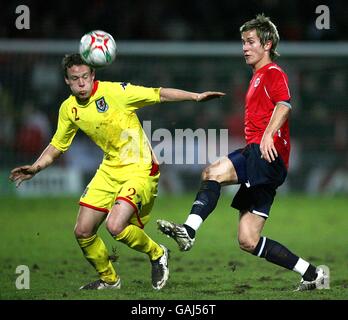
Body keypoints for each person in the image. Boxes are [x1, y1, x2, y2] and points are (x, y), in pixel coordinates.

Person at [9, 53, 225, 290]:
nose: (81, 83)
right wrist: (36, 167)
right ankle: (110, 280)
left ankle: (157, 253)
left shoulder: (117, 92)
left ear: (93, 75)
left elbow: (158, 93)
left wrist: (195, 97)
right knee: (83, 231)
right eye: (75, 79)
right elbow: (58, 145)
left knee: (115, 226)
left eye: (84, 77)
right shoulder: (68, 109)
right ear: (66, 82)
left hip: (140, 168)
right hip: (109, 169)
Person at [157, 14, 329, 291]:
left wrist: (268, 135)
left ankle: (188, 231)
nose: (244, 48)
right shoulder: (257, 76)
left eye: (250, 42)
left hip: (264, 156)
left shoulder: (274, 73)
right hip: (264, 160)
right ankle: (313, 275)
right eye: (243, 42)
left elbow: (284, 105)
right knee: (248, 240)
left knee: (212, 171)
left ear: (268, 44)